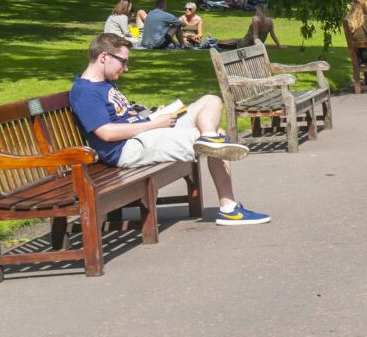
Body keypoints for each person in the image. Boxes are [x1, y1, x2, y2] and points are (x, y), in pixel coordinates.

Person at [70, 33, 268, 225]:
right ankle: (229, 208)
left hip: (143, 132)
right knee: (217, 137)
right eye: (123, 61)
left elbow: (125, 117)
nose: (126, 68)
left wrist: (153, 117)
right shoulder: (85, 92)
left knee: (210, 100)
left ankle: (208, 138)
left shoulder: (104, 84)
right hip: (127, 149)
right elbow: (107, 133)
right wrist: (154, 124)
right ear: (104, 57)